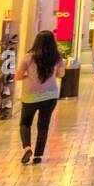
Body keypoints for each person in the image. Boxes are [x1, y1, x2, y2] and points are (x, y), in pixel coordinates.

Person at [15, 30, 67, 165]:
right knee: (43, 125)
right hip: (50, 96)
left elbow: (18, 76)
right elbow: (61, 74)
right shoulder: (57, 58)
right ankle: (38, 155)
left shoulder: (28, 57)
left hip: (30, 95)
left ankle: (27, 148)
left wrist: (29, 76)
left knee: (25, 123)